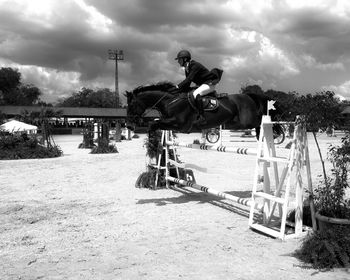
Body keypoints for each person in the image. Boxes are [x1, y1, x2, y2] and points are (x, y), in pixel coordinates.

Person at [174, 49, 223, 125]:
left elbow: (188, 79)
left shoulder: (194, 65)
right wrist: (178, 91)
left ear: (185, 59)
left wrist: (177, 86)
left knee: (195, 94)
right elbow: (187, 83)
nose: (178, 61)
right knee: (188, 93)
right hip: (202, 85)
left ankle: (201, 117)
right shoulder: (187, 68)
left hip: (209, 84)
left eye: (179, 59)